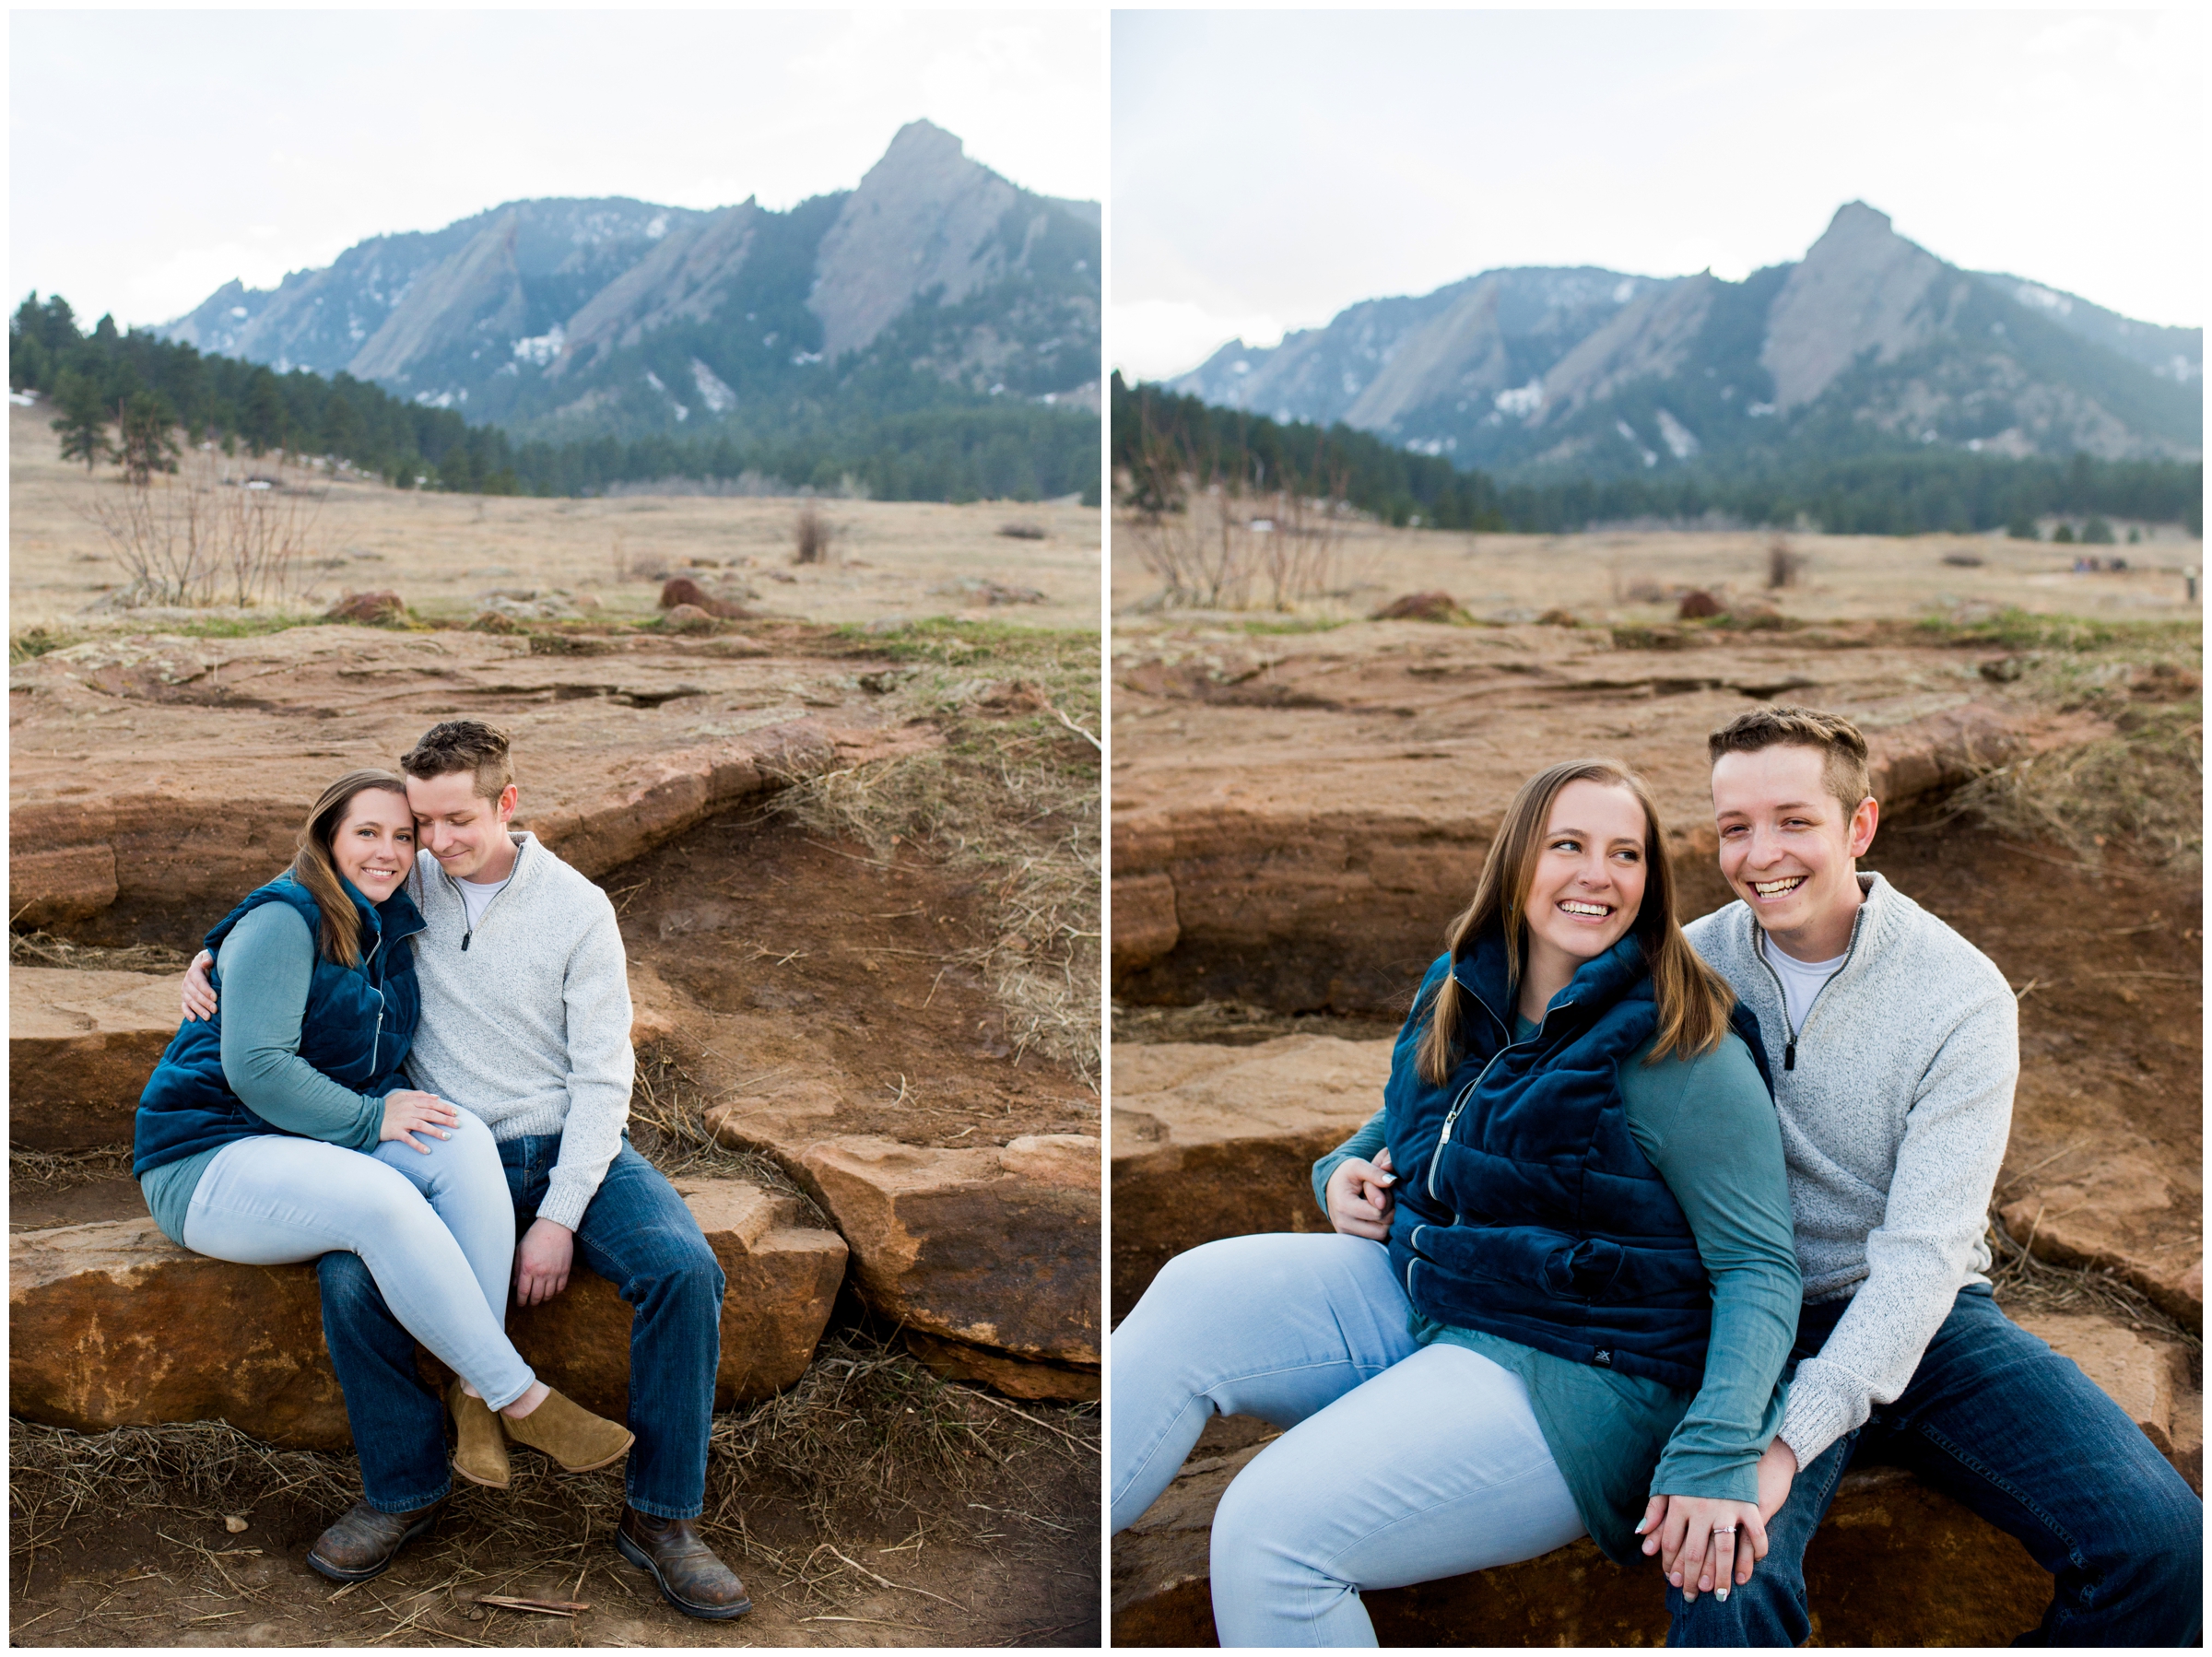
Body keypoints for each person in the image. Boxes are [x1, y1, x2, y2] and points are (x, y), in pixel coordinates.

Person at [1110, 758, 1803, 1646]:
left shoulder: (1678, 1046)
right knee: (1198, 1291)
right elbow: (1429, 1109)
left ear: (1651, 883)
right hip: (1447, 1294)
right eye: (1569, 845)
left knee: (1270, 1532)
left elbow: (1761, 1268)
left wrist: (1717, 1450)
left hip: (1583, 1365)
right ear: (1517, 861)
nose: (1598, 874)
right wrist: (1344, 1167)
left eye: (1626, 855)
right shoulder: (1464, 987)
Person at [1655, 704, 2201, 1646]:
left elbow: (1921, 1260)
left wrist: (1789, 1444)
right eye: (1735, 826)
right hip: (1751, 1324)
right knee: (1724, 1580)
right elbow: (1516, 1047)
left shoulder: (1961, 993)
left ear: (1859, 827)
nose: (1759, 852)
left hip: (1933, 1317)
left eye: (1794, 821)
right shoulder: (1686, 964)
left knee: (2167, 1547)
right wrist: (1369, 1154)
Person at [182, 721, 748, 1620]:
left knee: (685, 1269)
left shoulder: (576, 911)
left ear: (506, 804)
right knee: (350, 1276)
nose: (435, 844)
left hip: (565, 1142)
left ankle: (660, 1518)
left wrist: (560, 1215)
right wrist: (218, 951)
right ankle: (404, 1490)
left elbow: (607, 1077)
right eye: (420, 822)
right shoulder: (406, 882)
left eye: (455, 821)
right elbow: (298, 902)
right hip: (438, 1143)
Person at [135, 770, 636, 1583]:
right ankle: (517, 1396)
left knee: (461, 1138)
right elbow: (258, 1068)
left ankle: (472, 1398)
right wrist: (372, 1120)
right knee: (383, 1199)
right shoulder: (284, 916)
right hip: (209, 1157)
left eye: (404, 836)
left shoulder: (392, 916)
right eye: (368, 832)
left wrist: (209, 948)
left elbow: (484, 865)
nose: (392, 851)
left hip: (311, 1141)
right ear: (327, 834)